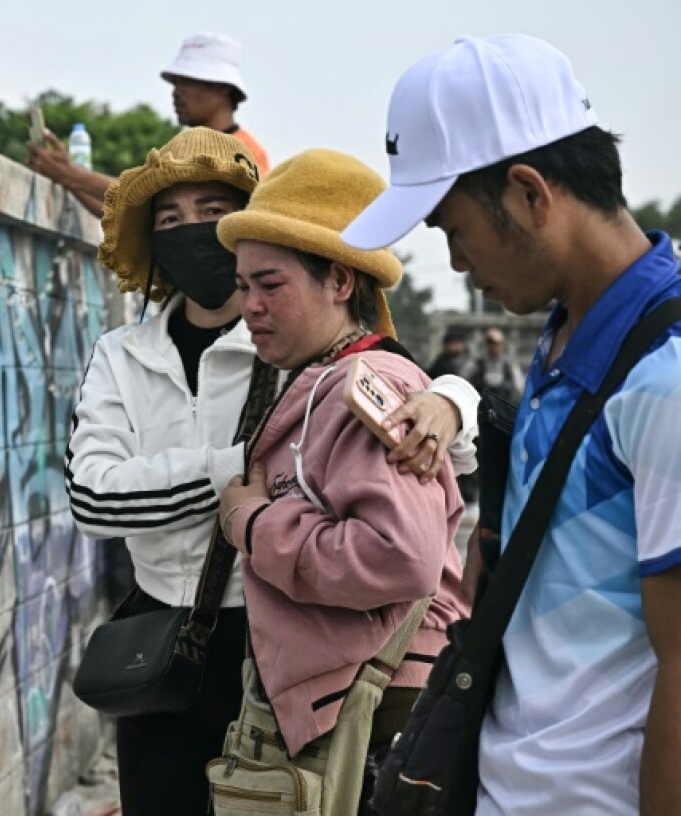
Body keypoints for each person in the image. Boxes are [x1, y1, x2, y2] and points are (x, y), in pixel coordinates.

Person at [65, 128, 478, 816]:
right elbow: (92, 499)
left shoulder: (294, 342)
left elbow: (416, 430)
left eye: (212, 213)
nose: (192, 231)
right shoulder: (124, 354)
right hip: (161, 635)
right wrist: (243, 473)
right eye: (169, 219)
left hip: (276, 632)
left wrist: (451, 399)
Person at [342, 33, 681, 815]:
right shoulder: (567, 337)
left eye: (453, 230)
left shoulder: (663, 378)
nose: (457, 264)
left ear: (530, 193)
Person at [216, 149, 470, 815]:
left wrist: (251, 522)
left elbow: (400, 556)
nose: (252, 307)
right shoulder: (324, 378)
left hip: (378, 710)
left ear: (338, 281)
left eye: (270, 285)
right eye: (244, 287)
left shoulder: (368, 386)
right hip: (357, 699)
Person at [27, 32, 270, 218]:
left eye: (186, 81)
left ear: (222, 87)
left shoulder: (241, 151)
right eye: (174, 83)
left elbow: (150, 196)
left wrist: (70, 174)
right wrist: (66, 178)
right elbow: (125, 214)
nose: (176, 93)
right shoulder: (181, 151)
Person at [462, 326, 523, 401]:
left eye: (497, 344)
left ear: (502, 345)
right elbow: (463, 383)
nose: (494, 347)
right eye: (491, 343)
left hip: (502, 407)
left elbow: (519, 387)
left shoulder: (509, 366)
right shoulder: (476, 364)